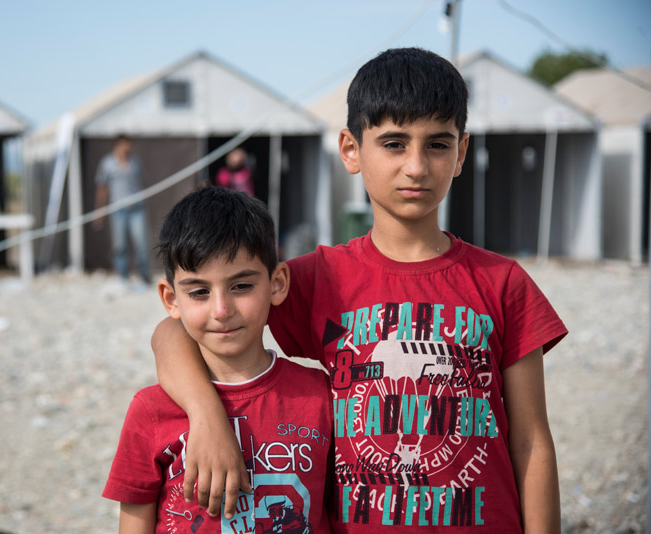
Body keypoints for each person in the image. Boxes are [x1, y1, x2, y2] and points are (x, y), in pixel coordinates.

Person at [152, 47, 567, 532]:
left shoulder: (502, 283)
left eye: (437, 144)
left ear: (461, 153)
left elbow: (532, 441)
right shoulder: (316, 278)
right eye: (394, 143)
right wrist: (206, 416)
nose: (416, 166)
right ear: (351, 149)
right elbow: (174, 330)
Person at [103, 186, 333, 533]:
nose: (221, 310)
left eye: (241, 286)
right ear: (171, 299)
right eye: (199, 292)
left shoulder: (320, 397)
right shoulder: (151, 411)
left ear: (277, 284)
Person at [94, 134, 151, 286]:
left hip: (137, 208)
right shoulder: (107, 163)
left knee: (141, 243)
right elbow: (102, 188)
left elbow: (141, 181)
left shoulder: (135, 161)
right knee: (119, 245)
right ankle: (123, 277)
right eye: (126, 144)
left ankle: (144, 276)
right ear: (118, 145)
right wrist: (99, 211)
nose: (128, 148)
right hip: (118, 209)